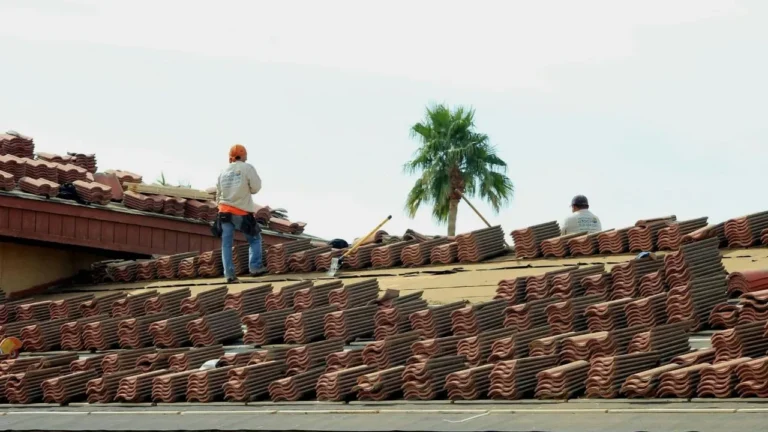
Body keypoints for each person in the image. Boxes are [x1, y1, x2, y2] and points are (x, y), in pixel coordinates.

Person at [216, 144, 266, 283]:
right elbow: (255, 187)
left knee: (226, 244)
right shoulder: (247, 168)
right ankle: (255, 268)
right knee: (255, 239)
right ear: (243, 155)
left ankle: (229, 275)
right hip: (241, 211)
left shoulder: (223, 171)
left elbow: (218, 193)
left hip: (224, 211)